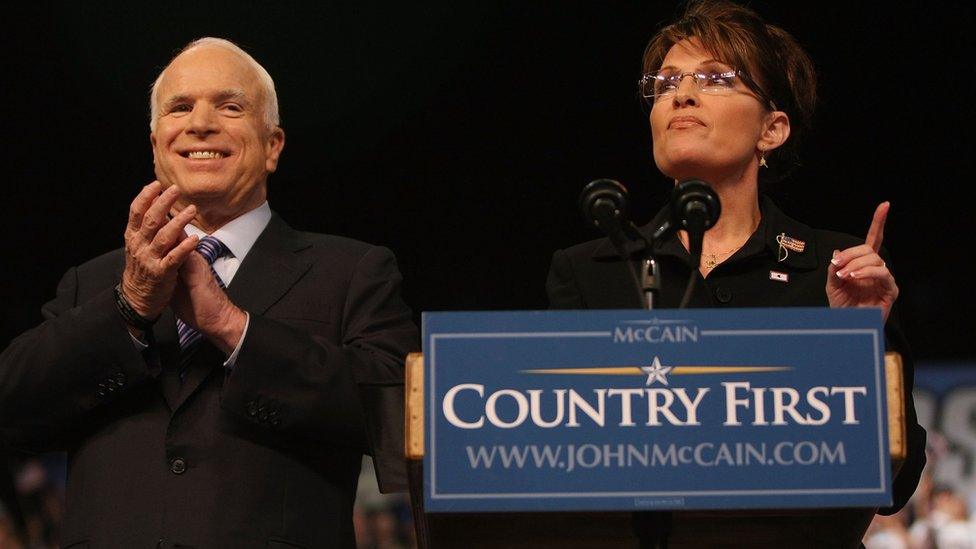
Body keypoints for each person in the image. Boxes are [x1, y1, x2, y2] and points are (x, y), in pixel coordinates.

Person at [0, 37, 417, 548]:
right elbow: (15, 415)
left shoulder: (352, 271)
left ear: (273, 146)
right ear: (157, 147)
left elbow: (400, 418)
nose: (200, 123)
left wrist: (233, 327)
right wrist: (127, 308)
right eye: (180, 107)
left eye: (230, 106)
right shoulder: (91, 282)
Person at [547, 0, 926, 539]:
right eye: (665, 82)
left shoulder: (838, 269)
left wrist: (858, 338)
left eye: (717, 78)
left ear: (772, 129)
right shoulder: (590, 270)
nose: (681, 93)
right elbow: (563, 462)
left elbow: (895, 484)